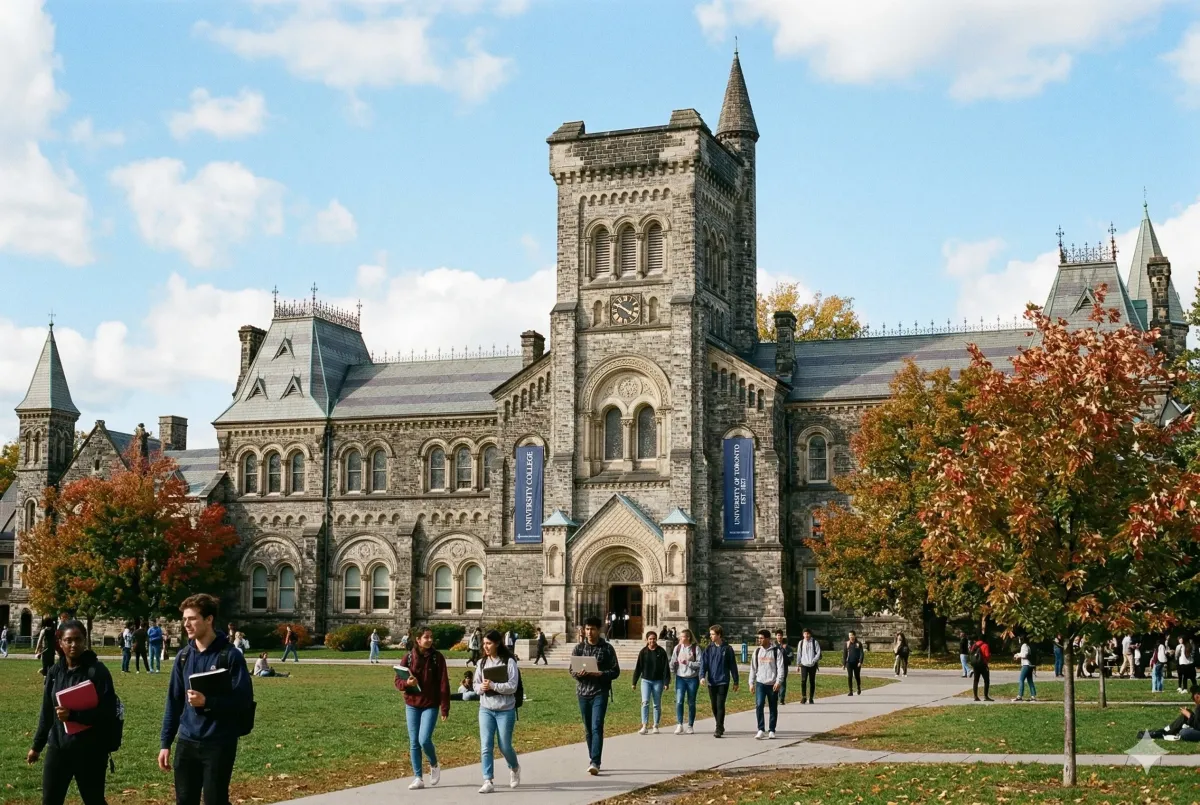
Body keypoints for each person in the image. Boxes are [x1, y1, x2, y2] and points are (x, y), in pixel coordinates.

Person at [159, 593, 254, 805]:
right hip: (187, 742)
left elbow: (243, 702)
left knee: (215, 800)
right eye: (184, 619)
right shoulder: (183, 657)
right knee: (184, 801)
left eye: (192, 618)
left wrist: (208, 702)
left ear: (209, 619)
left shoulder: (229, 656)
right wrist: (165, 743)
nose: (186, 624)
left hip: (219, 743)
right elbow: (173, 702)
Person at [27, 619, 118, 805]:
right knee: (50, 800)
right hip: (59, 748)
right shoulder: (54, 672)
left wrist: (74, 716)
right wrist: (37, 746)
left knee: (93, 800)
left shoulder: (97, 672)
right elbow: (47, 712)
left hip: (90, 750)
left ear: (85, 641)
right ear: (60, 642)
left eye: (78, 639)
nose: (74, 644)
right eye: (68, 640)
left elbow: (108, 712)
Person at [398, 626, 450, 790]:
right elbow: (397, 681)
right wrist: (407, 683)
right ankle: (418, 777)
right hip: (412, 704)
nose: (429, 640)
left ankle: (434, 764)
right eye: (426, 637)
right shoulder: (408, 658)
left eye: (430, 637)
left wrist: (444, 708)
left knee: (424, 740)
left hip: (430, 704)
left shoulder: (437, 658)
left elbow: (443, 683)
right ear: (418, 640)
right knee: (414, 742)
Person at [570, 616, 620, 774]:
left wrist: (600, 674)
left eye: (592, 629)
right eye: (587, 629)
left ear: (599, 630)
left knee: (596, 726)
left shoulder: (607, 648)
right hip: (583, 692)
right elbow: (572, 670)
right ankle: (592, 756)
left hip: (600, 691)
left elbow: (615, 671)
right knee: (588, 728)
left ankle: (595, 761)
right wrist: (579, 673)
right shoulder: (578, 648)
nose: (589, 632)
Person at [472, 629, 520, 793]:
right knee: (486, 745)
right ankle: (488, 780)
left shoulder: (508, 662)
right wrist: (482, 687)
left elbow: (513, 686)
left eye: (489, 643)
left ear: (497, 643)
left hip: (505, 710)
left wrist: (494, 686)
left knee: (504, 745)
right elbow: (475, 685)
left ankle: (514, 767)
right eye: (484, 643)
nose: (486, 646)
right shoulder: (482, 663)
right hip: (486, 709)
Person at [699, 624, 739, 738]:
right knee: (714, 706)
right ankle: (720, 724)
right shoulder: (708, 648)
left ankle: (718, 728)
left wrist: (736, 681)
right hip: (712, 681)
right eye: (710, 634)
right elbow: (704, 663)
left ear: (719, 634)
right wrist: (702, 676)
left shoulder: (727, 649)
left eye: (712, 634)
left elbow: (733, 666)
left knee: (720, 704)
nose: (710, 636)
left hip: (723, 681)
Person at [632, 631, 670, 735]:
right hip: (646, 680)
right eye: (650, 639)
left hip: (658, 681)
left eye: (654, 639)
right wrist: (634, 682)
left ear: (656, 639)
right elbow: (638, 667)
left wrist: (666, 682)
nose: (652, 641)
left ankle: (656, 725)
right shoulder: (643, 652)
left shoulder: (661, 652)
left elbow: (666, 668)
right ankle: (644, 725)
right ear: (647, 640)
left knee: (656, 704)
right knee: (645, 702)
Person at [750, 629, 782, 739]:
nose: (759, 640)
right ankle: (761, 729)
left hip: (772, 683)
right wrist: (751, 683)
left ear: (768, 639)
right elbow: (753, 669)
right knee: (759, 705)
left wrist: (778, 681)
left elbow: (780, 668)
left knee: (773, 707)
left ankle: (772, 730)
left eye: (762, 638)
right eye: (758, 638)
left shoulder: (776, 651)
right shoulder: (757, 652)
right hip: (760, 683)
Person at [669, 628, 700, 734]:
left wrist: (688, 663)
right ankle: (679, 724)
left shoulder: (695, 649)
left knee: (691, 702)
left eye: (682, 636)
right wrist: (672, 669)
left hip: (692, 678)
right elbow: (672, 661)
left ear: (687, 637)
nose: (680, 638)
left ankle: (690, 725)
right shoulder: (677, 648)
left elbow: (700, 664)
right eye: (680, 636)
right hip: (680, 678)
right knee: (679, 701)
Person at [797, 627, 822, 704]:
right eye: (805, 634)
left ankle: (811, 697)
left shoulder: (814, 642)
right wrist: (798, 664)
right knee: (803, 681)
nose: (806, 635)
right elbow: (799, 654)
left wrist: (814, 660)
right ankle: (804, 697)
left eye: (808, 634)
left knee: (812, 681)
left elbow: (818, 653)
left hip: (812, 665)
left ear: (810, 634)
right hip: (804, 664)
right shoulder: (801, 643)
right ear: (803, 634)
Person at [1012, 636, 1038, 701]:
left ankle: (1020, 696)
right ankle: (1033, 696)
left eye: (1019, 639)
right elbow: (1023, 653)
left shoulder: (1024, 645)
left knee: (1021, 679)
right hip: (1030, 664)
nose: (1018, 641)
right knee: (1030, 680)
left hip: (1026, 665)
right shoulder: (1027, 645)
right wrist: (1017, 654)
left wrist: (1018, 656)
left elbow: (1024, 654)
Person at [970, 635, 993, 702]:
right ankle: (986, 696)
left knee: (976, 680)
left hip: (975, 665)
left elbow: (971, 654)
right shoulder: (985, 645)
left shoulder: (974, 645)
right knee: (986, 681)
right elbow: (987, 655)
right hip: (983, 665)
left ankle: (975, 696)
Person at [774, 630, 794, 704]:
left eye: (780, 635)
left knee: (782, 682)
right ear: (776, 636)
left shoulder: (786, 646)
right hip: (774, 667)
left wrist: (785, 650)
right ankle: (775, 697)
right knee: (775, 682)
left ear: (782, 637)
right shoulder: (773, 646)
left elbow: (791, 656)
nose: (779, 637)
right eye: (778, 635)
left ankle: (781, 698)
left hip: (784, 667)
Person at [842, 631, 864, 696]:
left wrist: (860, 661)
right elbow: (844, 654)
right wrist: (844, 664)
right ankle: (850, 691)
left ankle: (858, 687)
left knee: (857, 676)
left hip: (857, 663)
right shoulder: (847, 644)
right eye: (849, 635)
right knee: (849, 676)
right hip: (849, 663)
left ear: (854, 635)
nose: (850, 637)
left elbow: (861, 653)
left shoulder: (858, 643)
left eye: (852, 635)